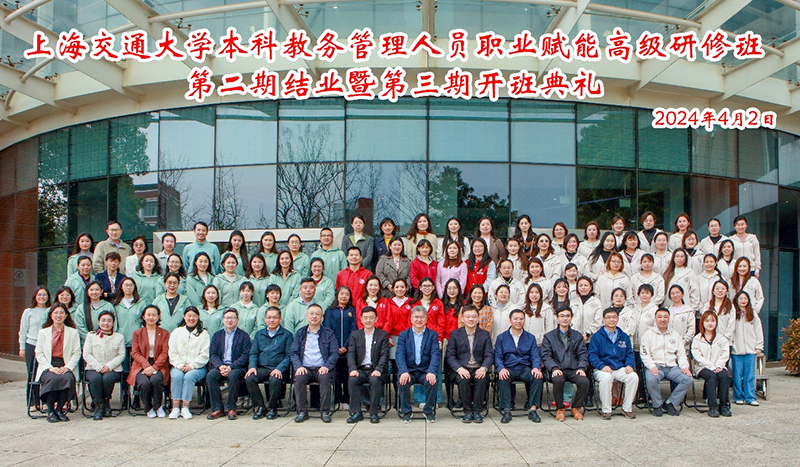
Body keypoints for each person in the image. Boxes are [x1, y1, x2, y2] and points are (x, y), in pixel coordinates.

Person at [640, 307, 694, 416]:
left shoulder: (675, 334)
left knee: (688, 379)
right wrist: (651, 366)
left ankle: (670, 403)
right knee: (651, 379)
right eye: (659, 317)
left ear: (669, 319)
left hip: (672, 367)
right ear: (655, 319)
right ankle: (657, 405)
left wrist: (684, 367)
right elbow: (645, 353)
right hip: (656, 366)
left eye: (665, 317)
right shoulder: (648, 334)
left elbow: (681, 354)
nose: (662, 319)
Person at [494, 309, 544, 423]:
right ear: (510, 320)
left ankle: (533, 409)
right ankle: (507, 410)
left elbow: (535, 355)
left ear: (524, 321)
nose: (518, 321)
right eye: (515, 319)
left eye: (521, 319)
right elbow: (497, 356)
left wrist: (536, 367)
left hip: (524, 368)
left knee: (537, 376)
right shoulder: (501, 337)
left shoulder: (530, 337)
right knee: (503, 377)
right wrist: (501, 368)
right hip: (509, 368)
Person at [291, 304, 339, 423]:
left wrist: (327, 366)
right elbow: (293, 352)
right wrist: (298, 366)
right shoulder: (301, 333)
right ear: (307, 316)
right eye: (311, 314)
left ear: (321, 317)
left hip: (321, 368)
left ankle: (325, 411)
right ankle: (302, 411)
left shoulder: (328, 333)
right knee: (299, 378)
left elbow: (334, 353)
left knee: (325, 377)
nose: (314, 316)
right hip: (305, 368)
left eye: (317, 314)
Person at [541, 306, 590, 421]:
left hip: (573, 368)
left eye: (568, 316)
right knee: (558, 380)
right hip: (556, 368)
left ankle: (576, 407)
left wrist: (582, 368)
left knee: (584, 382)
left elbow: (583, 354)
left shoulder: (577, 336)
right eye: (562, 316)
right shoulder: (549, 336)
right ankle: (560, 408)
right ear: (557, 318)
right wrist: (553, 368)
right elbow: (546, 356)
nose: (565, 319)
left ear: (571, 318)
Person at [588, 307, 638, 420]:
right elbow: (592, 355)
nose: (611, 320)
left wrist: (629, 365)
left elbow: (629, 353)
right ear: (603, 320)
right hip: (602, 369)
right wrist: (602, 366)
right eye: (608, 317)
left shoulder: (623, 336)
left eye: (614, 317)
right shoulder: (596, 337)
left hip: (619, 368)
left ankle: (627, 408)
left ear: (618, 319)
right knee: (606, 378)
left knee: (633, 377)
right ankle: (606, 410)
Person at [445, 305, 493, 423]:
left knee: (481, 379)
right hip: (462, 368)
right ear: (462, 319)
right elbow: (450, 356)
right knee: (463, 379)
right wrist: (459, 369)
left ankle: (477, 411)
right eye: (467, 317)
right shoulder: (455, 334)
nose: (470, 319)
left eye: (473, 317)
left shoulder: (484, 334)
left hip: (478, 367)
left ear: (478, 318)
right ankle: (467, 411)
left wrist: (484, 368)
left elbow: (489, 355)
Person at [35, 304, 81, 423]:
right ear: (51, 315)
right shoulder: (43, 333)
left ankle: (60, 409)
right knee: (52, 379)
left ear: (66, 315)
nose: (58, 316)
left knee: (67, 378)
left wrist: (67, 367)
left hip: (66, 364)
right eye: (55, 313)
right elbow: (39, 353)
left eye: (61, 313)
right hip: (48, 365)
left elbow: (76, 353)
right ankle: (51, 411)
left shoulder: (73, 332)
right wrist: (50, 368)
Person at [246, 306, 294, 420]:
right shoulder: (259, 334)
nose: (271, 320)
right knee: (250, 378)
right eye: (269, 318)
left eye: (275, 317)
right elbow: (253, 353)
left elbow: (289, 356)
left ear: (280, 319)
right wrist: (252, 367)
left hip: (279, 368)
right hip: (262, 367)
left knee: (274, 379)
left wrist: (279, 369)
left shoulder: (287, 335)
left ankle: (272, 408)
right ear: (265, 319)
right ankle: (260, 406)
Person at [396, 306, 441, 423]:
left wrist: (431, 371)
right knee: (402, 381)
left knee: (432, 381)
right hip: (409, 370)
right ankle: (406, 411)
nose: (419, 320)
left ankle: (428, 411)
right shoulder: (403, 335)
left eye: (422, 317)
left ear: (426, 319)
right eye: (416, 317)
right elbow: (400, 355)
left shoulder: (433, 335)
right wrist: (403, 371)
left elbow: (435, 354)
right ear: (411, 319)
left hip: (425, 370)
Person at [206, 308, 252, 420]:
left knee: (233, 376)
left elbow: (245, 355)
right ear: (223, 320)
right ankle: (217, 408)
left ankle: (231, 407)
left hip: (237, 367)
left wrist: (231, 367)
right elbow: (213, 354)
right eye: (227, 318)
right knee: (211, 376)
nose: (229, 320)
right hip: (221, 366)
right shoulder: (217, 335)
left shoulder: (244, 336)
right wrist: (220, 366)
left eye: (232, 318)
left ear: (237, 320)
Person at [346, 306, 390, 424]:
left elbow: (384, 355)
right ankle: (356, 412)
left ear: (376, 319)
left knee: (375, 380)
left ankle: (374, 412)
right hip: (360, 369)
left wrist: (379, 369)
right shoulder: (355, 335)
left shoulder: (382, 335)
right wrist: (353, 369)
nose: (368, 320)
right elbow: (351, 354)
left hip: (375, 369)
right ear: (361, 319)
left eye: (371, 318)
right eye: (365, 318)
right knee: (353, 379)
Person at [168, 306, 210, 419]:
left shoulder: (203, 334)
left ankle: (185, 407)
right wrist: (180, 365)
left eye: (194, 316)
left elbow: (204, 354)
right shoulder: (176, 332)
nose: (191, 318)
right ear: (184, 317)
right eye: (189, 316)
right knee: (176, 376)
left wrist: (192, 366)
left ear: (198, 317)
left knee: (189, 377)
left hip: (197, 367)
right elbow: (172, 352)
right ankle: (175, 407)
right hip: (178, 366)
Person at [82, 310, 125, 420]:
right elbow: (86, 354)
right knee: (95, 378)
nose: (106, 323)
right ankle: (99, 406)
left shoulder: (119, 337)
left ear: (113, 323)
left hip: (113, 369)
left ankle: (106, 401)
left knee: (107, 378)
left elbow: (121, 355)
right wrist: (98, 367)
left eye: (109, 321)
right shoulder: (91, 336)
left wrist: (109, 366)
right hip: (93, 368)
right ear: (98, 322)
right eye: (103, 320)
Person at [129, 304, 170, 418]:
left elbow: (165, 352)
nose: (151, 317)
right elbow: (135, 352)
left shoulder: (164, 333)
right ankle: (148, 407)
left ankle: (158, 406)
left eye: (154, 315)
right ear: (143, 316)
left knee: (155, 380)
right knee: (144, 383)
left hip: (159, 364)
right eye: (148, 315)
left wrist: (154, 367)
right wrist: (146, 366)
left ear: (158, 316)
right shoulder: (137, 333)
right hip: (141, 364)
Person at [692, 311, 732, 418]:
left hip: (719, 366)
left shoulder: (722, 339)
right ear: (702, 322)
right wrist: (711, 366)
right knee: (711, 376)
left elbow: (725, 354)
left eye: (713, 321)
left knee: (724, 376)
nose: (710, 323)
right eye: (707, 321)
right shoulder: (697, 339)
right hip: (702, 367)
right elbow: (698, 356)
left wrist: (718, 365)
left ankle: (724, 405)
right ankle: (713, 407)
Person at [323, 286, 358, 408]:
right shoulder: (330, 311)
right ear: (337, 295)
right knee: (336, 376)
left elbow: (354, 329)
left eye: (347, 294)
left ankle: (346, 400)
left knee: (347, 376)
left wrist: (346, 346)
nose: (344, 296)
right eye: (341, 294)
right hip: (334, 350)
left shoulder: (352, 310)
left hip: (348, 350)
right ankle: (337, 400)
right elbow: (327, 329)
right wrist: (335, 347)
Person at [19, 287, 52, 407]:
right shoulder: (28, 311)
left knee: (46, 373)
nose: (42, 297)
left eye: (44, 295)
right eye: (39, 295)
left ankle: (45, 401)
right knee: (32, 374)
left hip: (47, 346)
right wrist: (22, 347)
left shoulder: (51, 311)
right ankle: (33, 403)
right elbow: (23, 331)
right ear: (35, 296)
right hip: (31, 344)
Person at [731, 291, 764, 406]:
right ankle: (738, 396)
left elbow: (758, 330)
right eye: (741, 298)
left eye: (745, 298)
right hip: (737, 350)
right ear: (736, 300)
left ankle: (750, 397)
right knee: (737, 376)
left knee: (750, 376)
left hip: (750, 350)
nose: (743, 301)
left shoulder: (753, 314)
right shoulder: (733, 313)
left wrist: (759, 346)